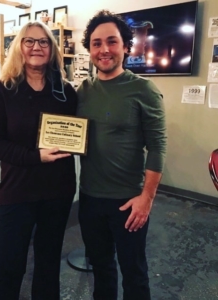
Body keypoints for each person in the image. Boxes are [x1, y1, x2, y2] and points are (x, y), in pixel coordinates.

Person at [0, 21, 77, 300]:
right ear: (19, 48)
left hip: (58, 192)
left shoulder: (66, 92)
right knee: (9, 268)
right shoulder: (4, 90)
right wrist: (35, 157)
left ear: (52, 49)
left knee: (48, 266)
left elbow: (79, 134)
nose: (37, 47)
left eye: (44, 42)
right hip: (17, 192)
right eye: (29, 41)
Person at [76, 10, 167, 300]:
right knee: (101, 269)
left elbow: (157, 146)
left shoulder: (144, 90)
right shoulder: (83, 91)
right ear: (89, 49)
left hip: (128, 201)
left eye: (112, 42)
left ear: (126, 46)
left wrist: (146, 198)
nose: (104, 50)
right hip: (90, 198)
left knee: (134, 273)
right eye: (96, 43)